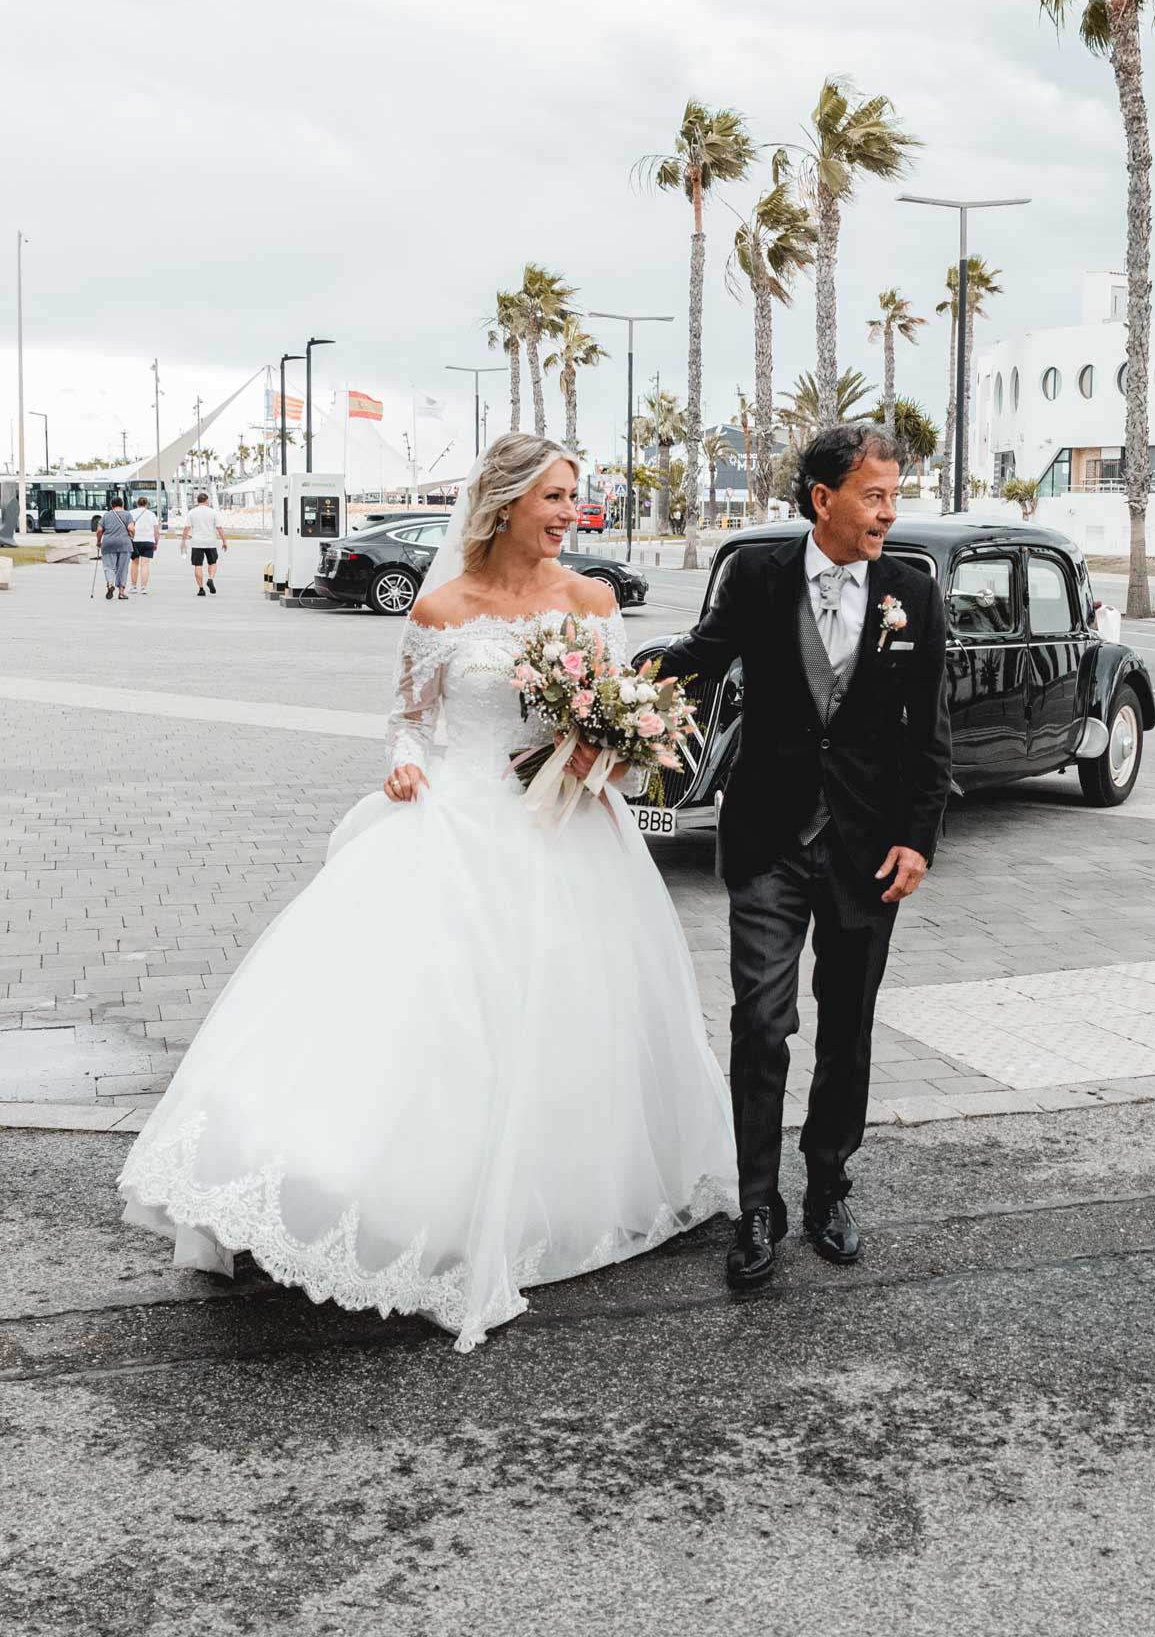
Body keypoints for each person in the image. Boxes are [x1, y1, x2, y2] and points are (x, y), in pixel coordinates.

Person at [118, 433, 737, 1352]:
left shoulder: (592, 601)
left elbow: (618, 733)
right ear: (505, 503)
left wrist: (605, 755)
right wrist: (406, 766)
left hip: (571, 834)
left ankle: (562, 1190)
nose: (570, 512)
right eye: (554, 497)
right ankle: (381, 1187)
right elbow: (409, 721)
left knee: (572, 1011)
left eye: (573, 496)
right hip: (457, 820)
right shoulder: (442, 609)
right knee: (435, 1015)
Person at [657, 422, 951, 1290]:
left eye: (896, 497)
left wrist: (917, 839)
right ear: (823, 499)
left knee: (849, 1027)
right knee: (761, 1022)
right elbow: (700, 659)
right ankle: (756, 1203)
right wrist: (603, 697)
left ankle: (827, 1187)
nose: (888, 513)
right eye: (874, 495)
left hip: (869, 850)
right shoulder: (758, 574)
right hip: (769, 842)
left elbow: (929, 731)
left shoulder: (912, 591)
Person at [181, 492, 227, 595]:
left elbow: (186, 528)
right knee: (212, 563)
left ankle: (201, 589)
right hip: (210, 542)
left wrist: (183, 542)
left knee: (198, 565)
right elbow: (219, 528)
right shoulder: (213, 512)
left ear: (198, 501)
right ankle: (210, 579)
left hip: (197, 542)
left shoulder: (192, 512)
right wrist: (224, 541)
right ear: (207, 501)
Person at [97, 498, 134, 602]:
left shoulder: (106, 515)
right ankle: (121, 593)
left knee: (109, 566)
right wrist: (132, 536)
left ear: (111, 505)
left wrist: (99, 541)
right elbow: (131, 528)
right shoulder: (127, 515)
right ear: (122, 504)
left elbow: (99, 530)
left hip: (108, 543)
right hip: (124, 544)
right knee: (123, 568)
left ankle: (110, 584)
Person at [128, 496, 160, 593]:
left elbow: (128, 528)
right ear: (147, 504)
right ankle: (144, 588)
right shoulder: (152, 514)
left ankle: (133, 586)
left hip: (135, 541)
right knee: (145, 565)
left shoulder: (131, 513)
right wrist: (156, 543)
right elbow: (156, 531)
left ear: (137, 504)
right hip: (148, 541)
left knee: (134, 563)